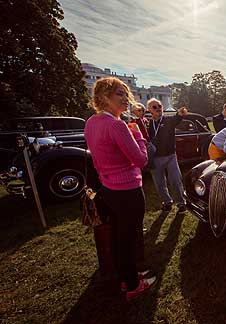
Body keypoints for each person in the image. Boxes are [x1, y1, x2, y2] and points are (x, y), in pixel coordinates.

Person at [84, 77, 156, 302]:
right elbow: (141, 159)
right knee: (128, 237)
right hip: (128, 190)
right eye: (119, 94)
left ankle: (128, 276)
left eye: (126, 94)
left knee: (119, 236)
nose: (126, 99)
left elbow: (96, 159)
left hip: (108, 189)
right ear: (104, 97)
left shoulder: (91, 123)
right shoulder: (117, 125)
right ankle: (133, 284)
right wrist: (138, 136)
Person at [147, 99, 188, 213]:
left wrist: (180, 113)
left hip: (170, 156)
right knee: (159, 183)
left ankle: (181, 203)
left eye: (159, 106)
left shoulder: (168, 120)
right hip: (155, 158)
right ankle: (167, 202)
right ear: (149, 110)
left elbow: (177, 118)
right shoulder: (147, 123)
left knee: (175, 180)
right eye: (154, 107)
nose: (158, 108)